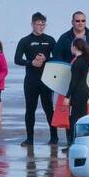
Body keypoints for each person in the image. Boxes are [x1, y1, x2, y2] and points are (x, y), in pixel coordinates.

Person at [14, 13, 58, 146]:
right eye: (38, 24)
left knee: (48, 108)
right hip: (31, 80)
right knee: (30, 109)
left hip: (46, 79)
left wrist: (46, 59)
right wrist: (31, 63)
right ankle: (30, 139)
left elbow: (57, 57)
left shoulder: (50, 40)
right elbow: (17, 60)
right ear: (32, 24)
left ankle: (54, 137)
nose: (41, 27)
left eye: (43, 24)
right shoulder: (25, 41)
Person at [63, 38, 89, 152]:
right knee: (82, 117)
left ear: (74, 47)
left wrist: (67, 97)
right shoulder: (85, 60)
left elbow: (73, 82)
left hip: (78, 92)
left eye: (71, 47)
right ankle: (82, 142)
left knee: (74, 119)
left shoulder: (77, 62)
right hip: (84, 91)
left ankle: (73, 144)